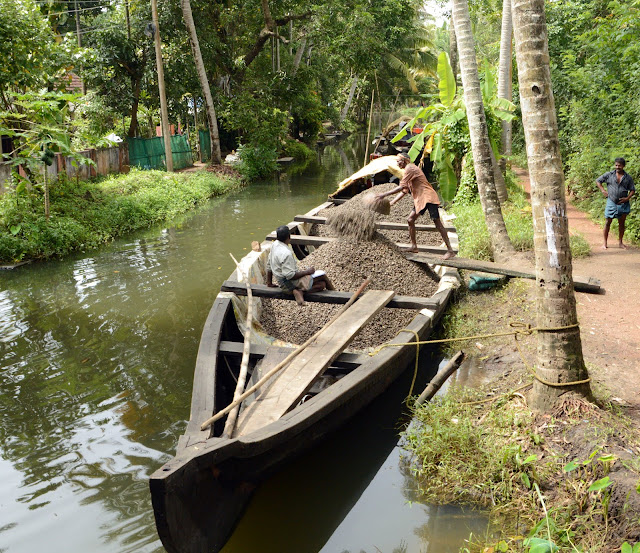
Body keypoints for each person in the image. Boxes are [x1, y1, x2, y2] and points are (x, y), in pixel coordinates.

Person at [375, 152, 456, 259]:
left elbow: (400, 187)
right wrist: (392, 202)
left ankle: (450, 251)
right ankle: (414, 246)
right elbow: (404, 190)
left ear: (404, 161)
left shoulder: (410, 169)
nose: (397, 163)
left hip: (428, 197)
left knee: (437, 223)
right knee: (410, 219)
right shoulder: (407, 171)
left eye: (398, 161)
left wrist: (383, 194)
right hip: (421, 199)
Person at [266, 225, 335, 305]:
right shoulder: (286, 253)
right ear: (289, 237)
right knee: (323, 276)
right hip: (289, 284)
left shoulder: (274, 245)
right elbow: (290, 275)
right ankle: (336, 295)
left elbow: (269, 264)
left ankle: (301, 291)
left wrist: (269, 283)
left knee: (322, 285)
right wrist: (307, 272)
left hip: (282, 284)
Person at [596, 157, 635, 249]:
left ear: (623, 166)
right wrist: (603, 190)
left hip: (623, 203)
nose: (617, 167)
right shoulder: (609, 175)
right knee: (607, 222)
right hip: (611, 201)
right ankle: (605, 243)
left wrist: (627, 198)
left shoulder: (628, 177)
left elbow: (632, 190)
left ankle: (620, 242)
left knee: (622, 223)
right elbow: (598, 181)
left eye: (619, 165)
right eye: (616, 165)